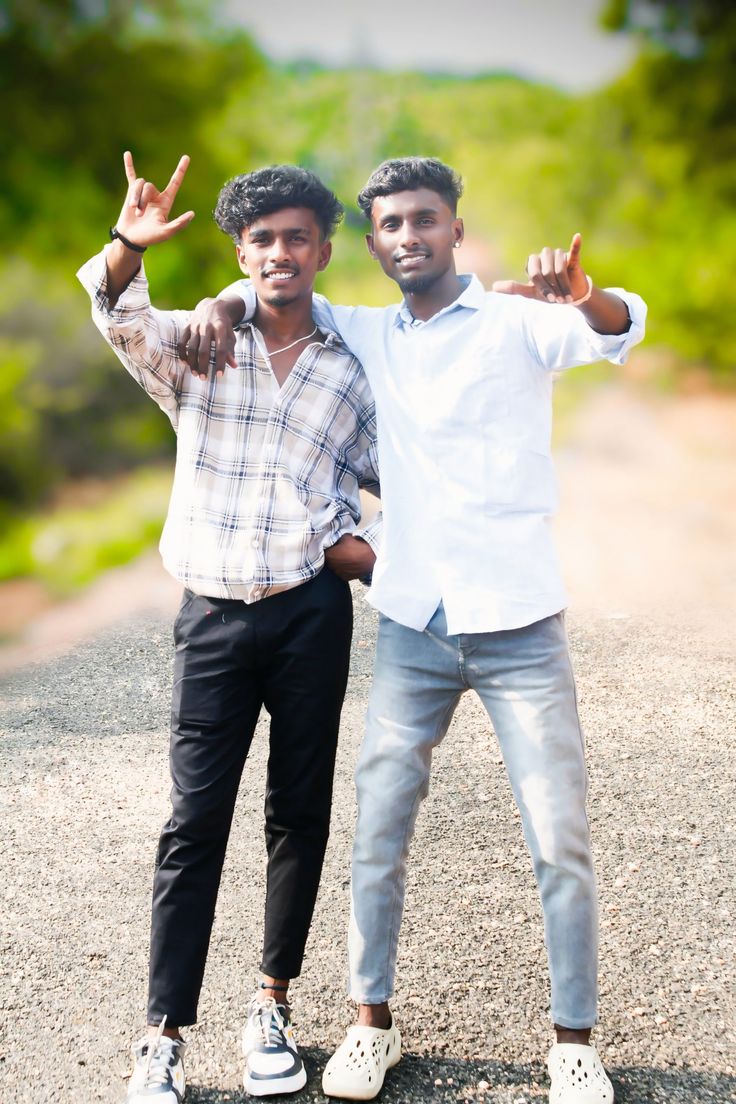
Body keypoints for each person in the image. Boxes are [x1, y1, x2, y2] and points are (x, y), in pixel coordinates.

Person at [188, 156, 647, 1104]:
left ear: (456, 229)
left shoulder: (523, 320)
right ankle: (370, 1028)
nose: (410, 237)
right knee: (380, 831)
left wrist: (589, 296)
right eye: (392, 224)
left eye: (425, 220)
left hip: (521, 620)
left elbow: (617, 330)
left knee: (559, 835)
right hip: (413, 623)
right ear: (373, 242)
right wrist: (224, 305)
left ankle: (573, 1043)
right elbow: (268, 284)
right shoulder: (363, 330)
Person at [77, 152, 380, 1102]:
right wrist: (130, 245)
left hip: (310, 614)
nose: (280, 252)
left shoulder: (351, 369)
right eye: (261, 239)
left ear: (325, 250)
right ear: (240, 253)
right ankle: (163, 1035)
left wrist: (359, 545)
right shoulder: (200, 343)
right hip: (211, 614)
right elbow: (117, 317)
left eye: (297, 237)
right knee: (193, 821)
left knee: (299, 811)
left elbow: (400, 479)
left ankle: (272, 1008)